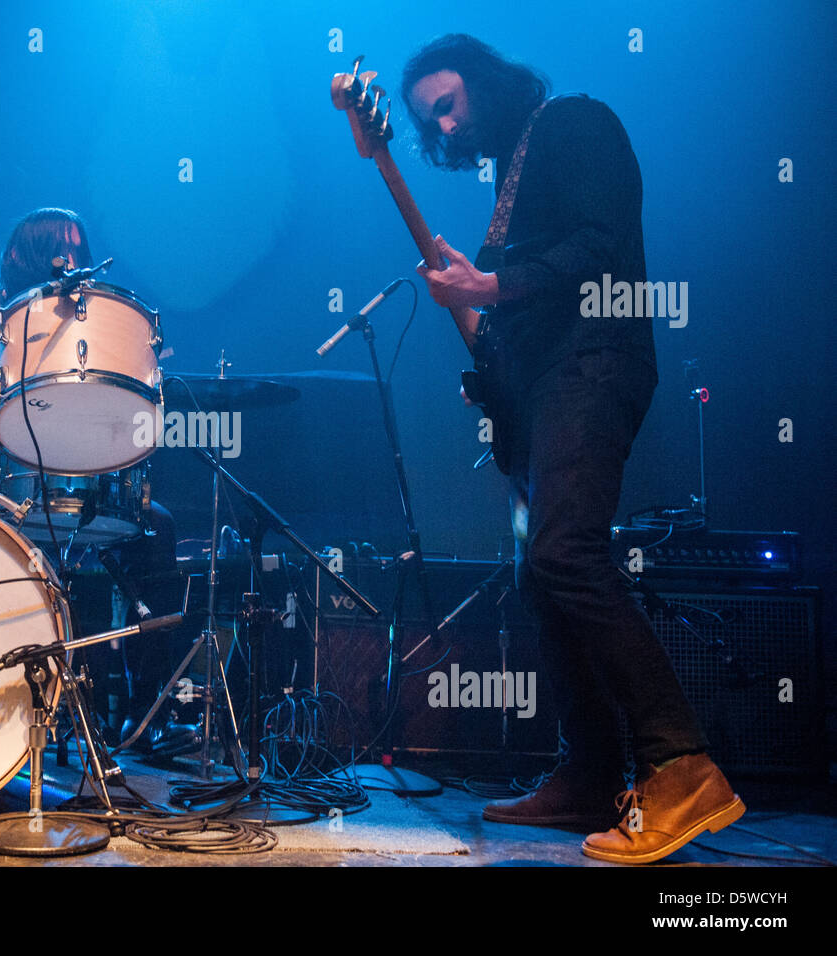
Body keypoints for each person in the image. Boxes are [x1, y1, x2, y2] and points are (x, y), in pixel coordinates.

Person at [401, 34, 743, 864]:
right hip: (551, 378)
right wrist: (491, 334)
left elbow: (599, 247)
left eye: (448, 104)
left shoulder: (576, 123)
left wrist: (491, 285)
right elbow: (527, 298)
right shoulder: (514, 166)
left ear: (485, 82)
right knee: (540, 573)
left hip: (597, 362)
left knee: (566, 550)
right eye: (428, 124)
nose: (445, 130)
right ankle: (590, 773)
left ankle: (683, 764)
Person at [0, 208, 190, 751]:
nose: (71, 259)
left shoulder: (94, 320)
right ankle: (14, 707)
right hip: (1, 478)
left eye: (78, 248)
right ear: (21, 255)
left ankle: (150, 715)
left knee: (157, 529)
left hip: (86, 480)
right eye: (57, 247)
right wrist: (2, 398)